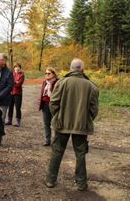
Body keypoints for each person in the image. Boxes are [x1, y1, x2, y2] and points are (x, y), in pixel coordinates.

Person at [45, 58, 99, 191]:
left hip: (62, 124)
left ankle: (51, 180)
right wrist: (86, 119)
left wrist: (57, 116)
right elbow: (94, 109)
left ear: (71, 68)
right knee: (80, 154)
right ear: (82, 69)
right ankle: (81, 183)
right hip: (81, 125)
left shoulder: (62, 83)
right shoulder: (91, 86)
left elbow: (53, 103)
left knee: (57, 151)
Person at [0, 53, 13, 147]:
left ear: (5, 61)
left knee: (1, 119)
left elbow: (10, 86)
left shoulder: (9, 72)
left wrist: (0, 95)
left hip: (3, 100)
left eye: (0, 59)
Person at [39, 67, 58, 146]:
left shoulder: (58, 83)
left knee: (55, 123)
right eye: (46, 73)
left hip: (54, 105)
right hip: (45, 104)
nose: (47, 75)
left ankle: (56, 140)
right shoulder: (45, 82)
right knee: (46, 123)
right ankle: (47, 140)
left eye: (49, 73)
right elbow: (42, 92)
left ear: (53, 74)